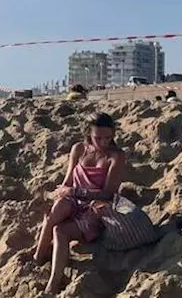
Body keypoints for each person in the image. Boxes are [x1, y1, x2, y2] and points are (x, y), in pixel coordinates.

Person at [30, 113, 127, 294]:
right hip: (73, 199)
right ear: (88, 134)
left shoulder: (116, 156)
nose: (103, 142)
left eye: (108, 137)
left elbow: (108, 194)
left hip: (96, 206)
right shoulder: (79, 149)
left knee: (60, 230)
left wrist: (74, 192)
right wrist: (53, 196)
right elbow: (67, 182)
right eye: (98, 138)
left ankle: (53, 283)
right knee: (56, 209)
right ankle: (39, 256)